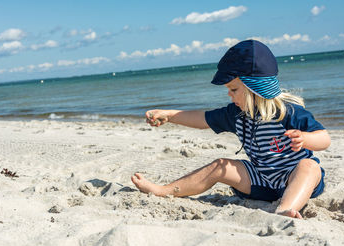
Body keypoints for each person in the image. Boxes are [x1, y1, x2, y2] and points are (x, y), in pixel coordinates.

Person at [131, 40, 331, 219]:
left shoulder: (287, 112)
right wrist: (170, 115)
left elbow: (324, 139)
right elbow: (202, 119)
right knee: (220, 166)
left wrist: (304, 138)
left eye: (234, 89)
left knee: (310, 167)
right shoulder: (237, 114)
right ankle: (164, 190)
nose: (229, 95)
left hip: (293, 178)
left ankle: (284, 210)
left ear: (255, 88)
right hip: (260, 179)